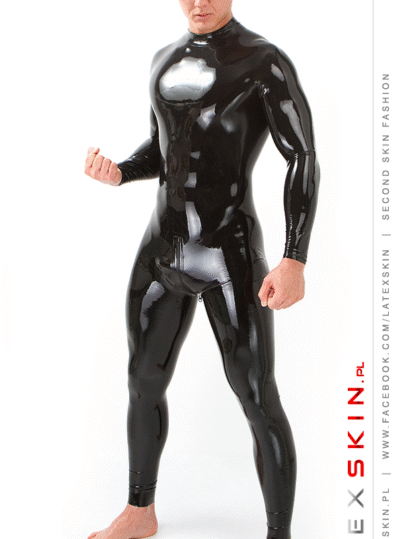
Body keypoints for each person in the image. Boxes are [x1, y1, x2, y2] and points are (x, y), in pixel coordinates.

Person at [84, 0, 320, 537]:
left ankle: (279, 534)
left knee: (257, 395)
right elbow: (164, 149)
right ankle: (140, 512)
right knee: (142, 381)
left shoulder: (263, 61)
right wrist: (121, 172)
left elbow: (302, 156)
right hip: (161, 249)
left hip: (227, 253)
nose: (199, 3)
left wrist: (294, 257)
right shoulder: (164, 59)